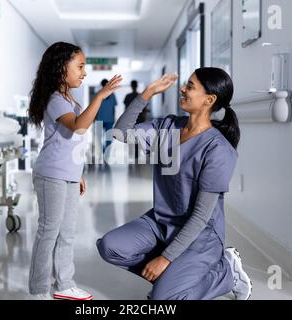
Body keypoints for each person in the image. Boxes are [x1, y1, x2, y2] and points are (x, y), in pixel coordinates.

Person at [96, 68, 252, 300]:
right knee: (109, 246)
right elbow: (120, 133)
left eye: (190, 86)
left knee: (164, 300)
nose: (182, 89)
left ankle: (226, 274)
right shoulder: (167, 127)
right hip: (161, 223)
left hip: (201, 236)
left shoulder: (218, 149)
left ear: (209, 100)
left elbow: (200, 217)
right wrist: (146, 93)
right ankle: (172, 279)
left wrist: (165, 258)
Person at [28, 42, 122, 300]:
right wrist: (100, 96)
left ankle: (64, 284)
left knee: (67, 232)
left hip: (67, 174)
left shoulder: (70, 98)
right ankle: (37, 291)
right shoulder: (55, 100)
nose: (84, 72)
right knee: (49, 231)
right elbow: (78, 128)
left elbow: (71, 142)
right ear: (61, 68)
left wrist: (77, 173)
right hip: (51, 174)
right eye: (79, 66)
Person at [124, 80, 149, 161]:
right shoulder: (140, 96)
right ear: (137, 86)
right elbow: (144, 108)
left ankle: (133, 153)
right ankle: (136, 153)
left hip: (130, 119)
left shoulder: (128, 96)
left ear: (131, 86)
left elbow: (126, 109)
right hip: (140, 118)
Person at [95, 79, 118, 156]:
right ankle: (104, 151)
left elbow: (113, 108)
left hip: (106, 119)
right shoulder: (99, 94)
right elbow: (95, 108)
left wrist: (113, 118)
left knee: (107, 138)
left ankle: (105, 152)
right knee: (102, 138)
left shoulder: (111, 94)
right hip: (102, 119)